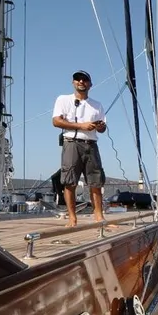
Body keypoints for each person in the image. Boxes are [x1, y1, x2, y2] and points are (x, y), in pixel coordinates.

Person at [52, 70, 108, 227]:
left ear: (90, 84)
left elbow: (102, 129)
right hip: (71, 143)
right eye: (77, 79)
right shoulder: (63, 100)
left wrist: (100, 126)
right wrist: (81, 126)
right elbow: (56, 121)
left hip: (91, 144)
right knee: (69, 181)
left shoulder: (97, 105)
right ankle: (72, 218)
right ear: (73, 82)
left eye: (84, 79)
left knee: (96, 182)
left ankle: (99, 216)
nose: (81, 82)